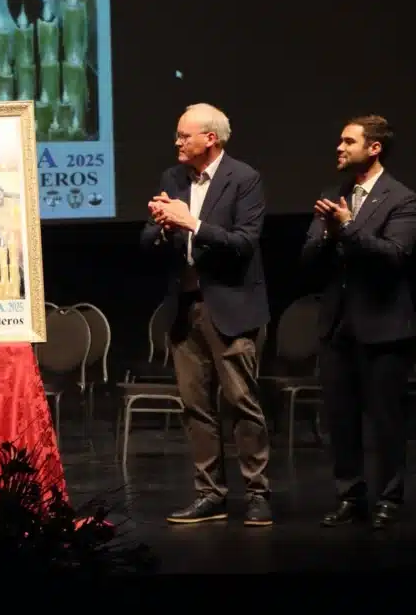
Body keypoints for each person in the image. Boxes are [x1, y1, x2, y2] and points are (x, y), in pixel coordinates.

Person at [141, 103, 272, 527]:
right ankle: (209, 494)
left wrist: (191, 222)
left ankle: (257, 494)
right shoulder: (173, 178)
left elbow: (243, 244)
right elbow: (148, 240)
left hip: (231, 306)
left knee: (241, 402)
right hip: (186, 306)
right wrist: (162, 225)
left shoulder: (244, 179)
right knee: (195, 406)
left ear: (210, 139)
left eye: (185, 136)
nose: (177, 142)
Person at [300, 115, 416, 530]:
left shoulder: (402, 199)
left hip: (384, 328)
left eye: (347, 141)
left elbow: (393, 256)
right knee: (341, 420)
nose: (338, 147)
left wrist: (348, 228)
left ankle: (390, 498)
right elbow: (307, 259)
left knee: (386, 420)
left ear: (374, 148)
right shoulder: (332, 194)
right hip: (338, 326)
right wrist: (331, 235)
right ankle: (351, 496)